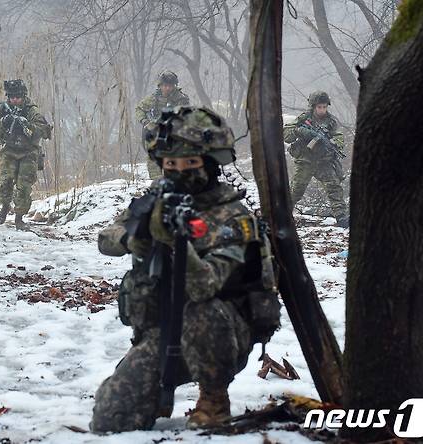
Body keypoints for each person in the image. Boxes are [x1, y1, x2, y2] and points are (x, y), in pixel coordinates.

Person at [90, 106, 280, 432]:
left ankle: (214, 400)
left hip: (221, 336)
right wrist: (137, 238)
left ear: (209, 163)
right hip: (164, 331)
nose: (180, 171)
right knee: (112, 416)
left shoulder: (233, 217)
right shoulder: (159, 200)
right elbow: (107, 239)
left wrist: (180, 245)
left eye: (191, 163)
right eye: (171, 164)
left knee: (202, 309)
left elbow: (204, 287)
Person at [0, 79, 52, 229]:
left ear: (23, 96)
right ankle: (4, 209)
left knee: (24, 186)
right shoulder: (2, 109)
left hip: (28, 152)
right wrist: (3, 122)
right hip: (9, 150)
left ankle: (19, 218)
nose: (15, 100)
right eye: (12, 97)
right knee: (5, 182)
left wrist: (27, 125)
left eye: (17, 97)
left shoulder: (31, 110)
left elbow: (44, 130)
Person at [283, 91, 349, 227]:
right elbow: (287, 134)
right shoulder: (304, 118)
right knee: (296, 189)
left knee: (334, 187)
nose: (322, 110)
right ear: (313, 106)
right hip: (305, 160)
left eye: (324, 107)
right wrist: (299, 131)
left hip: (323, 161)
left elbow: (338, 136)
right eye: (319, 107)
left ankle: (342, 217)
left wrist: (334, 143)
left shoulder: (330, 121)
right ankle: (283, 215)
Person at [135, 71, 190, 179]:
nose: (167, 88)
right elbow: (139, 109)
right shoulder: (154, 98)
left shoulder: (181, 99)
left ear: (174, 86)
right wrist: (145, 122)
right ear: (160, 85)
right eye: (164, 85)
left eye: (170, 86)